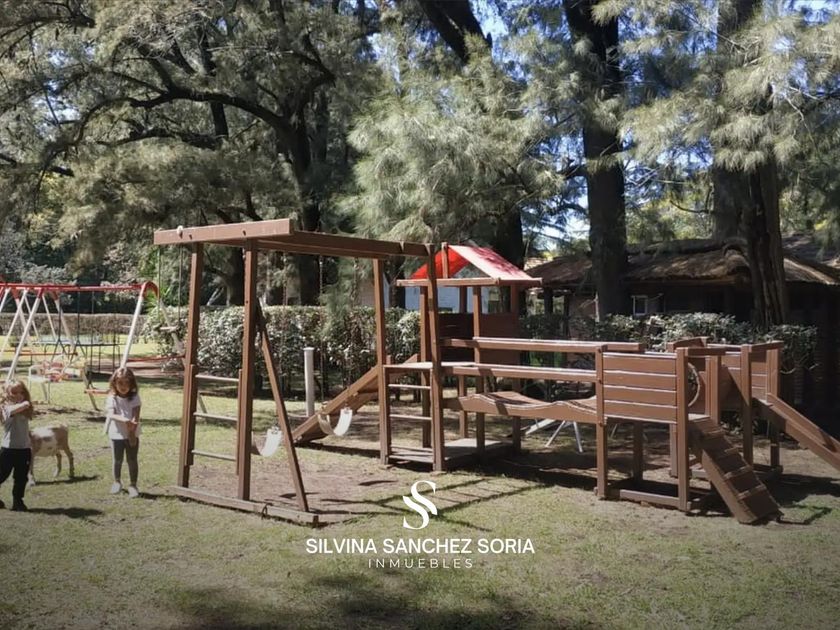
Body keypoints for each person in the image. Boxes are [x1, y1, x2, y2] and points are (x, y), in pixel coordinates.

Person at [105, 367, 142, 498]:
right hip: (116, 433)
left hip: (132, 432)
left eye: (127, 382)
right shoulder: (112, 398)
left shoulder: (135, 397)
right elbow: (111, 414)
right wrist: (124, 420)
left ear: (132, 383)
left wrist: (132, 432)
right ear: (114, 383)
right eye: (120, 383)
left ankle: (133, 485)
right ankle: (117, 482)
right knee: (117, 459)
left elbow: (136, 415)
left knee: (132, 459)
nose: (123, 386)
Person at [0, 381, 34, 511]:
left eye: (22, 392)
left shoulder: (25, 409)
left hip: (24, 449)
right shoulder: (5, 408)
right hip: (8, 449)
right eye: (14, 392)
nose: (19, 395)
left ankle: (18, 501)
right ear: (7, 394)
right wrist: (25, 403)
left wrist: (25, 404)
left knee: (21, 478)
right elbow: (12, 410)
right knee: (2, 474)